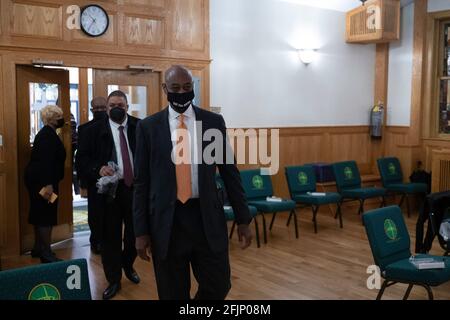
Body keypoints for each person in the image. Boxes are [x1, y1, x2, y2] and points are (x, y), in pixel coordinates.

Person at [133, 65, 253, 300]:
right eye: (175, 88)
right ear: (164, 88)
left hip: (206, 218)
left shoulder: (212, 122)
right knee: (172, 293)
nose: (182, 92)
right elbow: (141, 183)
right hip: (167, 223)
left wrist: (243, 218)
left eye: (187, 87)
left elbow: (230, 173)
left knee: (219, 285)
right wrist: (140, 231)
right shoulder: (148, 127)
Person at [77, 91, 140, 300]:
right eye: (112, 104)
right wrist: (98, 168)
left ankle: (128, 264)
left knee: (134, 235)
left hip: (134, 189)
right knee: (110, 238)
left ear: (127, 106)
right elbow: (82, 162)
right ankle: (114, 279)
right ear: (107, 106)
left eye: (120, 104)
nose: (116, 108)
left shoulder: (141, 127)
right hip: (107, 193)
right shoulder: (91, 130)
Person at [24, 105, 66, 263]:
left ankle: (38, 248)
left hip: (37, 180)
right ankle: (46, 253)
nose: (62, 119)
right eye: (58, 116)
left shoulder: (47, 133)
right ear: (51, 119)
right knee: (46, 215)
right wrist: (48, 185)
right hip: (43, 183)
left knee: (39, 213)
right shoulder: (47, 136)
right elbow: (46, 163)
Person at [75, 97, 108, 254]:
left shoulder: (113, 125)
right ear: (91, 110)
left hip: (116, 176)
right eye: (97, 108)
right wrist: (83, 179)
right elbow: (81, 157)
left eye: (103, 107)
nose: (100, 111)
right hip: (94, 178)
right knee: (95, 213)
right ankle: (96, 241)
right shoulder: (84, 129)